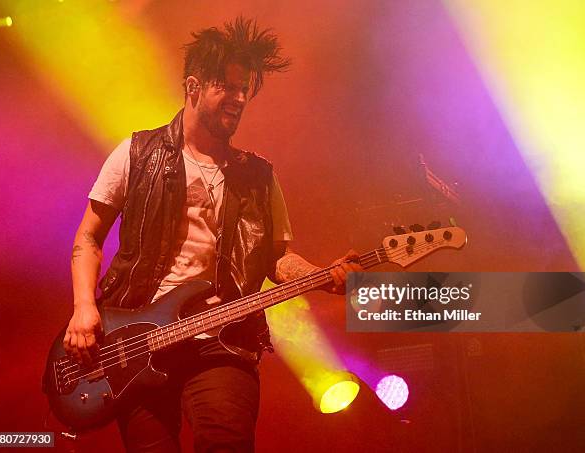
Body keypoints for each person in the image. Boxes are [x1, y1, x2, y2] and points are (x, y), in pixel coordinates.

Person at [63, 17, 362, 453]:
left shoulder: (258, 177)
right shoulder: (136, 154)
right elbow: (88, 239)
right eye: (227, 86)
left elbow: (273, 257)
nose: (239, 98)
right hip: (139, 345)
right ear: (193, 86)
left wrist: (324, 275)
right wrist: (83, 309)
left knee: (226, 442)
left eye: (245, 90)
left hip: (223, 341)